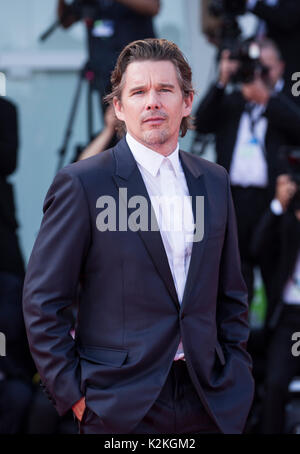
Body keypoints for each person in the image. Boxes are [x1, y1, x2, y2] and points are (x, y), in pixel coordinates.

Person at [22, 38, 254, 435]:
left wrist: (237, 373)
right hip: (118, 407)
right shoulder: (83, 184)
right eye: (139, 92)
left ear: (187, 102)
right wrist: (76, 397)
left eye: (165, 90)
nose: (152, 102)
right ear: (118, 107)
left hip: (209, 399)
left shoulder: (214, 181)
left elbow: (231, 293)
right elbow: (42, 302)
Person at [195, 38, 300, 306]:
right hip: (233, 202)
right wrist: (222, 80)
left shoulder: (287, 100)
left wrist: (267, 99)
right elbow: (200, 123)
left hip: (273, 202)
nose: (258, 75)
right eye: (254, 67)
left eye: (265, 68)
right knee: (234, 284)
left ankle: (277, 342)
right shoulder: (231, 101)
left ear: (280, 68)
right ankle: (239, 343)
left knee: (276, 276)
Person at [251, 173, 300, 433]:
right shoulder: (288, 238)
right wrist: (279, 206)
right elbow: (257, 248)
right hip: (291, 326)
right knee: (276, 383)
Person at [57, 0, 159, 115]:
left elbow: (153, 7)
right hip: (105, 74)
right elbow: (66, 21)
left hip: (139, 71)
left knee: (143, 121)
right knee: (112, 124)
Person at [0, 96, 35, 433]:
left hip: (1, 230)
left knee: (14, 305)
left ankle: (14, 368)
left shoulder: (6, 109)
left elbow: (7, 161)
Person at [246, 0, 300, 100]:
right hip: (266, 69)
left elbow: (287, 19)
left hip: (291, 69)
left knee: (290, 102)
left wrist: (250, 3)